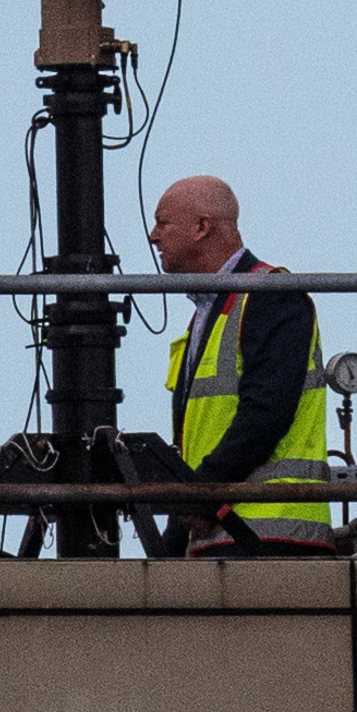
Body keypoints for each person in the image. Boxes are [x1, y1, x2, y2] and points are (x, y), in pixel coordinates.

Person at [148, 175, 335, 554]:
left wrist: (202, 496)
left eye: (163, 223)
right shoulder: (212, 313)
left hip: (271, 537)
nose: (153, 236)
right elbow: (198, 440)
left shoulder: (270, 296)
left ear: (202, 227)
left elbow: (265, 413)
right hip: (220, 534)